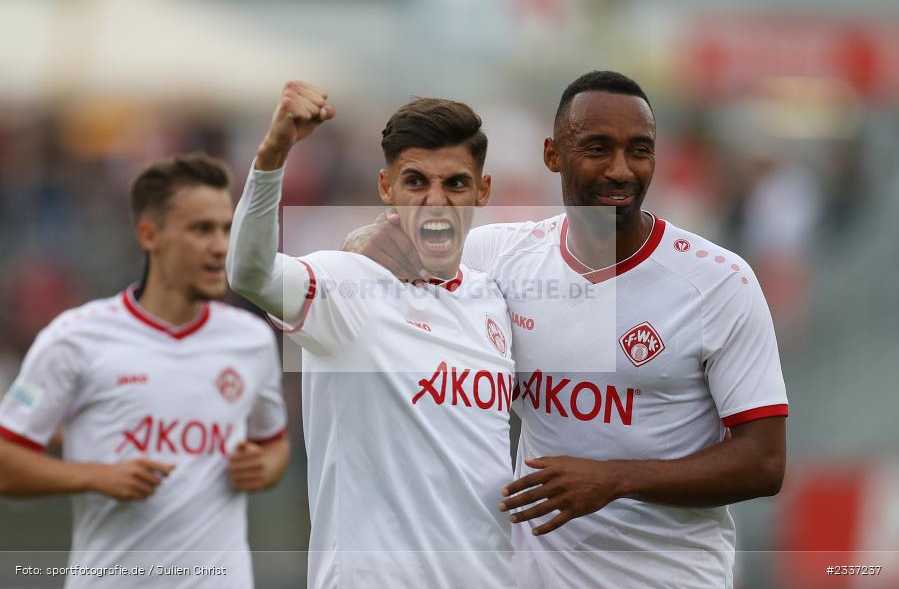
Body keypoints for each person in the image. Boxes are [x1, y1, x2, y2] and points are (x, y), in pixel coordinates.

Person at [346, 71, 789, 589]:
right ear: (553, 154)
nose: (621, 170)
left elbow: (764, 462)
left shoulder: (718, 282)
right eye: (598, 148)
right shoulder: (498, 257)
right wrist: (362, 247)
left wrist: (615, 479)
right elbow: (386, 255)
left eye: (639, 150)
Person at [226, 80, 517, 589]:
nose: (435, 201)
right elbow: (250, 273)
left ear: (482, 191)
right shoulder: (346, 282)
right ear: (386, 187)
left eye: (454, 183)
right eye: (415, 181)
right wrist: (275, 153)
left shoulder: (493, 298)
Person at [0, 154, 290, 589]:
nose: (219, 245)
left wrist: (262, 468)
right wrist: (96, 475)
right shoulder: (76, 338)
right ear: (149, 235)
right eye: (201, 229)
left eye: (226, 229)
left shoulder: (252, 339)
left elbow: (274, 445)